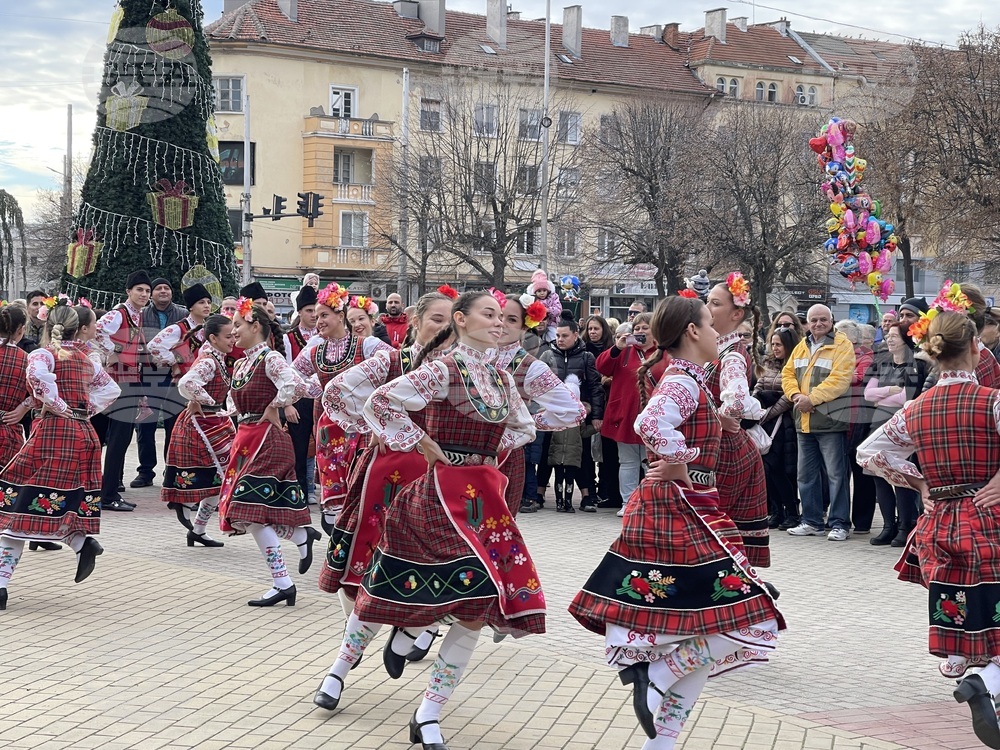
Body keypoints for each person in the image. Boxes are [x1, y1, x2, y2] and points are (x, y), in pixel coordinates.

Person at [569, 294, 783, 749]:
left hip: (692, 504)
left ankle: (661, 740)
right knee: (747, 615)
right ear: (692, 332)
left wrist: (720, 423)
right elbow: (650, 424)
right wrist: (683, 461)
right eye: (708, 324)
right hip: (678, 505)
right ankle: (658, 673)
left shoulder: (693, 379)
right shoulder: (683, 380)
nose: (714, 334)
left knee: (713, 622)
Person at [344, 292, 539, 749]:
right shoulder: (443, 368)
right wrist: (422, 443)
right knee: (386, 587)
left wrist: (488, 454)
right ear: (460, 320)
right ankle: (345, 664)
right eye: (488, 315)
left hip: (482, 503)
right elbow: (380, 402)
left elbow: (525, 427)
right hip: (436, 496)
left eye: (502, 317)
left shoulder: (501, 377)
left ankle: (430, 711)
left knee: (476, 606)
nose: (498, 323)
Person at [857, 310, 1000, 748]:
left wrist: (919, 481)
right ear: (976, 347)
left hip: (941, 522)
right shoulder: (993, 400)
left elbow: (868, 454)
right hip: (989, 517)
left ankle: (977, 673)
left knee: (967, 606)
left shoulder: (917, 408)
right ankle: (985, 680)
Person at [313, 292, 456, 710]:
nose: (444, 327)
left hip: (438, 481)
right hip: (387, 477)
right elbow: (337, 391)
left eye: (452, 320)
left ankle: (410, 633)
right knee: (361, 575)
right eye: (435, 319)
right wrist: (375, 424)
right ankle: (346, 661)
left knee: (440, 573)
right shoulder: (392, 361)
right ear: (414, 321)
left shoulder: (462, 370)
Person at [0, 302, 121, 609]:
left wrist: (62, 409)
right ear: (78, 328)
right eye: (93, 324)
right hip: (83, 436)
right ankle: (81, 543)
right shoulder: (85, 358)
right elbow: (111, 390)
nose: (95, 330)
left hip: (54, 434)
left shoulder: (44, 354)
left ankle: (0, 586)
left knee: (15, 505)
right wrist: (83, 412)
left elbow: (39, 381)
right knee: (50, 500)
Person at [217, 299, 321, 607]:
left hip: (267, 440)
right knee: (253, 512)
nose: (233, 331)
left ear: (255, 325)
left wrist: (273, 405)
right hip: (247, 437)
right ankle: (299, 539)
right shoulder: (241, 363)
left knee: (248, 511)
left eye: (237, 325)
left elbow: (294, 384)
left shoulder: (270, 357)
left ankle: (283, 582)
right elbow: (232, 403)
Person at [293, 284, 392, 533]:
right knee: (334, 482)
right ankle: (339, 531)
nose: (319, 322)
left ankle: (359, 535)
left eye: (324, 315)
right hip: (330, 428)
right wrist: (312, 387)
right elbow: (289, 376)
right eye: (316, 317)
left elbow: (397, 363)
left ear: (340, 316)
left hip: (363, 426)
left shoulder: (365, 345)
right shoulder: (315, 351)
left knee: (362, 478)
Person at [497, 295, 586, 516]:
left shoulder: (530, 367)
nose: (501, 324)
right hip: (461, 462)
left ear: (524, 326)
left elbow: (573, 411)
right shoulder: (470, 355)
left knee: (496, 530)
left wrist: (525, 423)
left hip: (504, 458)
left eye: (511, 320)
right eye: (495, 316)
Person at [704, 274, 770, 567]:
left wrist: (722, 415)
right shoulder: (715, 348)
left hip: (726, 452)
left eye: (715, 303)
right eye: (707, 301)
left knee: (715, 534)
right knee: (715, 536)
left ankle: (737, 595)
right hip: (720, 448)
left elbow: (738, 400)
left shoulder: (732, 355)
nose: (707, 308)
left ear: (736, 313)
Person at [160, 314, 237, 548]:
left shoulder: (217, 357)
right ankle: (187, 510)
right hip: (202, 423)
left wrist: (226, 408)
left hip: (214, 420)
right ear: (213, 338)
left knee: (220, 479)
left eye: (234, 334)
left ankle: (198, 530)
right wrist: (205, 399)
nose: (232, 339)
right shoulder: (209, 360)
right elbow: (187, 383)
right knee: (222, 475)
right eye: (228, 336)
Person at [782, 304, 856, 541]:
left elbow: (840, 380)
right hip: (804, 422)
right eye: (814, 320)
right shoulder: (802, 346)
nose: (818, 324)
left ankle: (839, 523)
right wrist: (795, 396)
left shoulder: (842, 345)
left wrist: (810, 399)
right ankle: (812, 521)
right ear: (807, 323)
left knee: (836, 476)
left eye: (823, 319)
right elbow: (788, 374)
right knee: (806, 475)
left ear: (832, 320)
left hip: (831, 422)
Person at [94, 271, 154, 512]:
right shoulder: (119, 314)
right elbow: (96, 331)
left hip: (127, 380)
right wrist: (114, 350)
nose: (144, 294)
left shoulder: (135, 315)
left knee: (120, 440)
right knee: (117, 440)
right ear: (128, 291)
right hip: (118, 382)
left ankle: (106, 491)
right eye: (139, 289)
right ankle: (108, 495)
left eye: (147, 291)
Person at [539, 311, 604, 513]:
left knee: (582, 456)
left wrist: (596, 415)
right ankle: (538, 494)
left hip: (578, 416)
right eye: (557, 336)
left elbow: (595, 387)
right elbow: (537, 385)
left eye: (565, 336)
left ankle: (587, 496)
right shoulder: (547, 355)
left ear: (576, 335)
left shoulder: (586, 357)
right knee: (546, 454)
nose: (560, 339)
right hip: (551, 415)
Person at [863, 322, 921, 547]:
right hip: (878, 423)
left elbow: (907, 397)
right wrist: (889, 391)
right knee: (879, 474)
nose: (889, 339)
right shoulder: (881, 363)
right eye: (888, 335)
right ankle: (888, 525)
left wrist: (882, 398)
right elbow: (868, 394)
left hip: (902, 425)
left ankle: (905, 525)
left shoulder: (914, 364)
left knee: (900, 476)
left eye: (895, 335)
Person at [597, 315, 657, 518]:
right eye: (637, 327)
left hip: (654, 416)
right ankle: (628, 502)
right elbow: (602, 367)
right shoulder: (624, 351)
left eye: (645, 327)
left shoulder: (663, 351)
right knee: (628, 461)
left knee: (651, 463)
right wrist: (617, 347)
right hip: (626, 414)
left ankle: (650, 503)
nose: (640, 331)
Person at [133, 278, 189, 489]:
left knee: (174, 425)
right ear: (152, 294)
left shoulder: (183, 315)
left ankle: (171, 470)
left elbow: (189, 342)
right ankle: (145, 471)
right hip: (149, 374)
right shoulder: (141, 315)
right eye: (158, 289)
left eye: (167, 287)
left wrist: (176, 361)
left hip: (176, 376)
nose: (163, 291)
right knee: (145, 425)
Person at [753, 326, 801, 530]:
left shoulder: (796, 365)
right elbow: (759, 384)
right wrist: (754, 404)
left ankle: (791, 512)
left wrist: (769, 412)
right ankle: (776, 511)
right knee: (768, 470)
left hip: (784, 424)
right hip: (765, 421)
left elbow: (789, 394)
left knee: (781, 470)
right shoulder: (768, 363)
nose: (775, 348)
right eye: (772, 344)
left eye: (779, 344)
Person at [834, 320, 877, 536]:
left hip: (859, 421)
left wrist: (834, 376)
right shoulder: (841, 357)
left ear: (851, 340)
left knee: (861, 474)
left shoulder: (866, 358)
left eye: (839, 338)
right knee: (840, 473)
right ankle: (840, 518)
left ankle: (862, 521)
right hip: (841, 420)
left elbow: (858, 378)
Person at [284, 285, 319, 503]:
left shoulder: (326, 336)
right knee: (298, 448)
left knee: (323, 446)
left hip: (322, 399)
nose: (314, 315)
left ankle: (319, 490)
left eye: (317, 310)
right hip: (299, 400)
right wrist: (287, 403)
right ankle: (299, 493)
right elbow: (286, 373)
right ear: (299, 312)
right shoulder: (289, 339)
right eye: (309, 310)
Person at [0, 305, 31, 468]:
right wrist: (23, 407)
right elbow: (42, 393)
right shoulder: (27, 360)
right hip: (9, 432)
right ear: (20, 329)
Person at [526, 269, 562, 342]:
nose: (542, 293)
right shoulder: (532, 299)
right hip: (535, 324)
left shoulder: (553, 297)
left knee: (553, 337)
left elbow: (558, 309)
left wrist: (548, 310)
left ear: (548, 290)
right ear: (535, 292)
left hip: (552, 323)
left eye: (544, 290)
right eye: (539, 291)